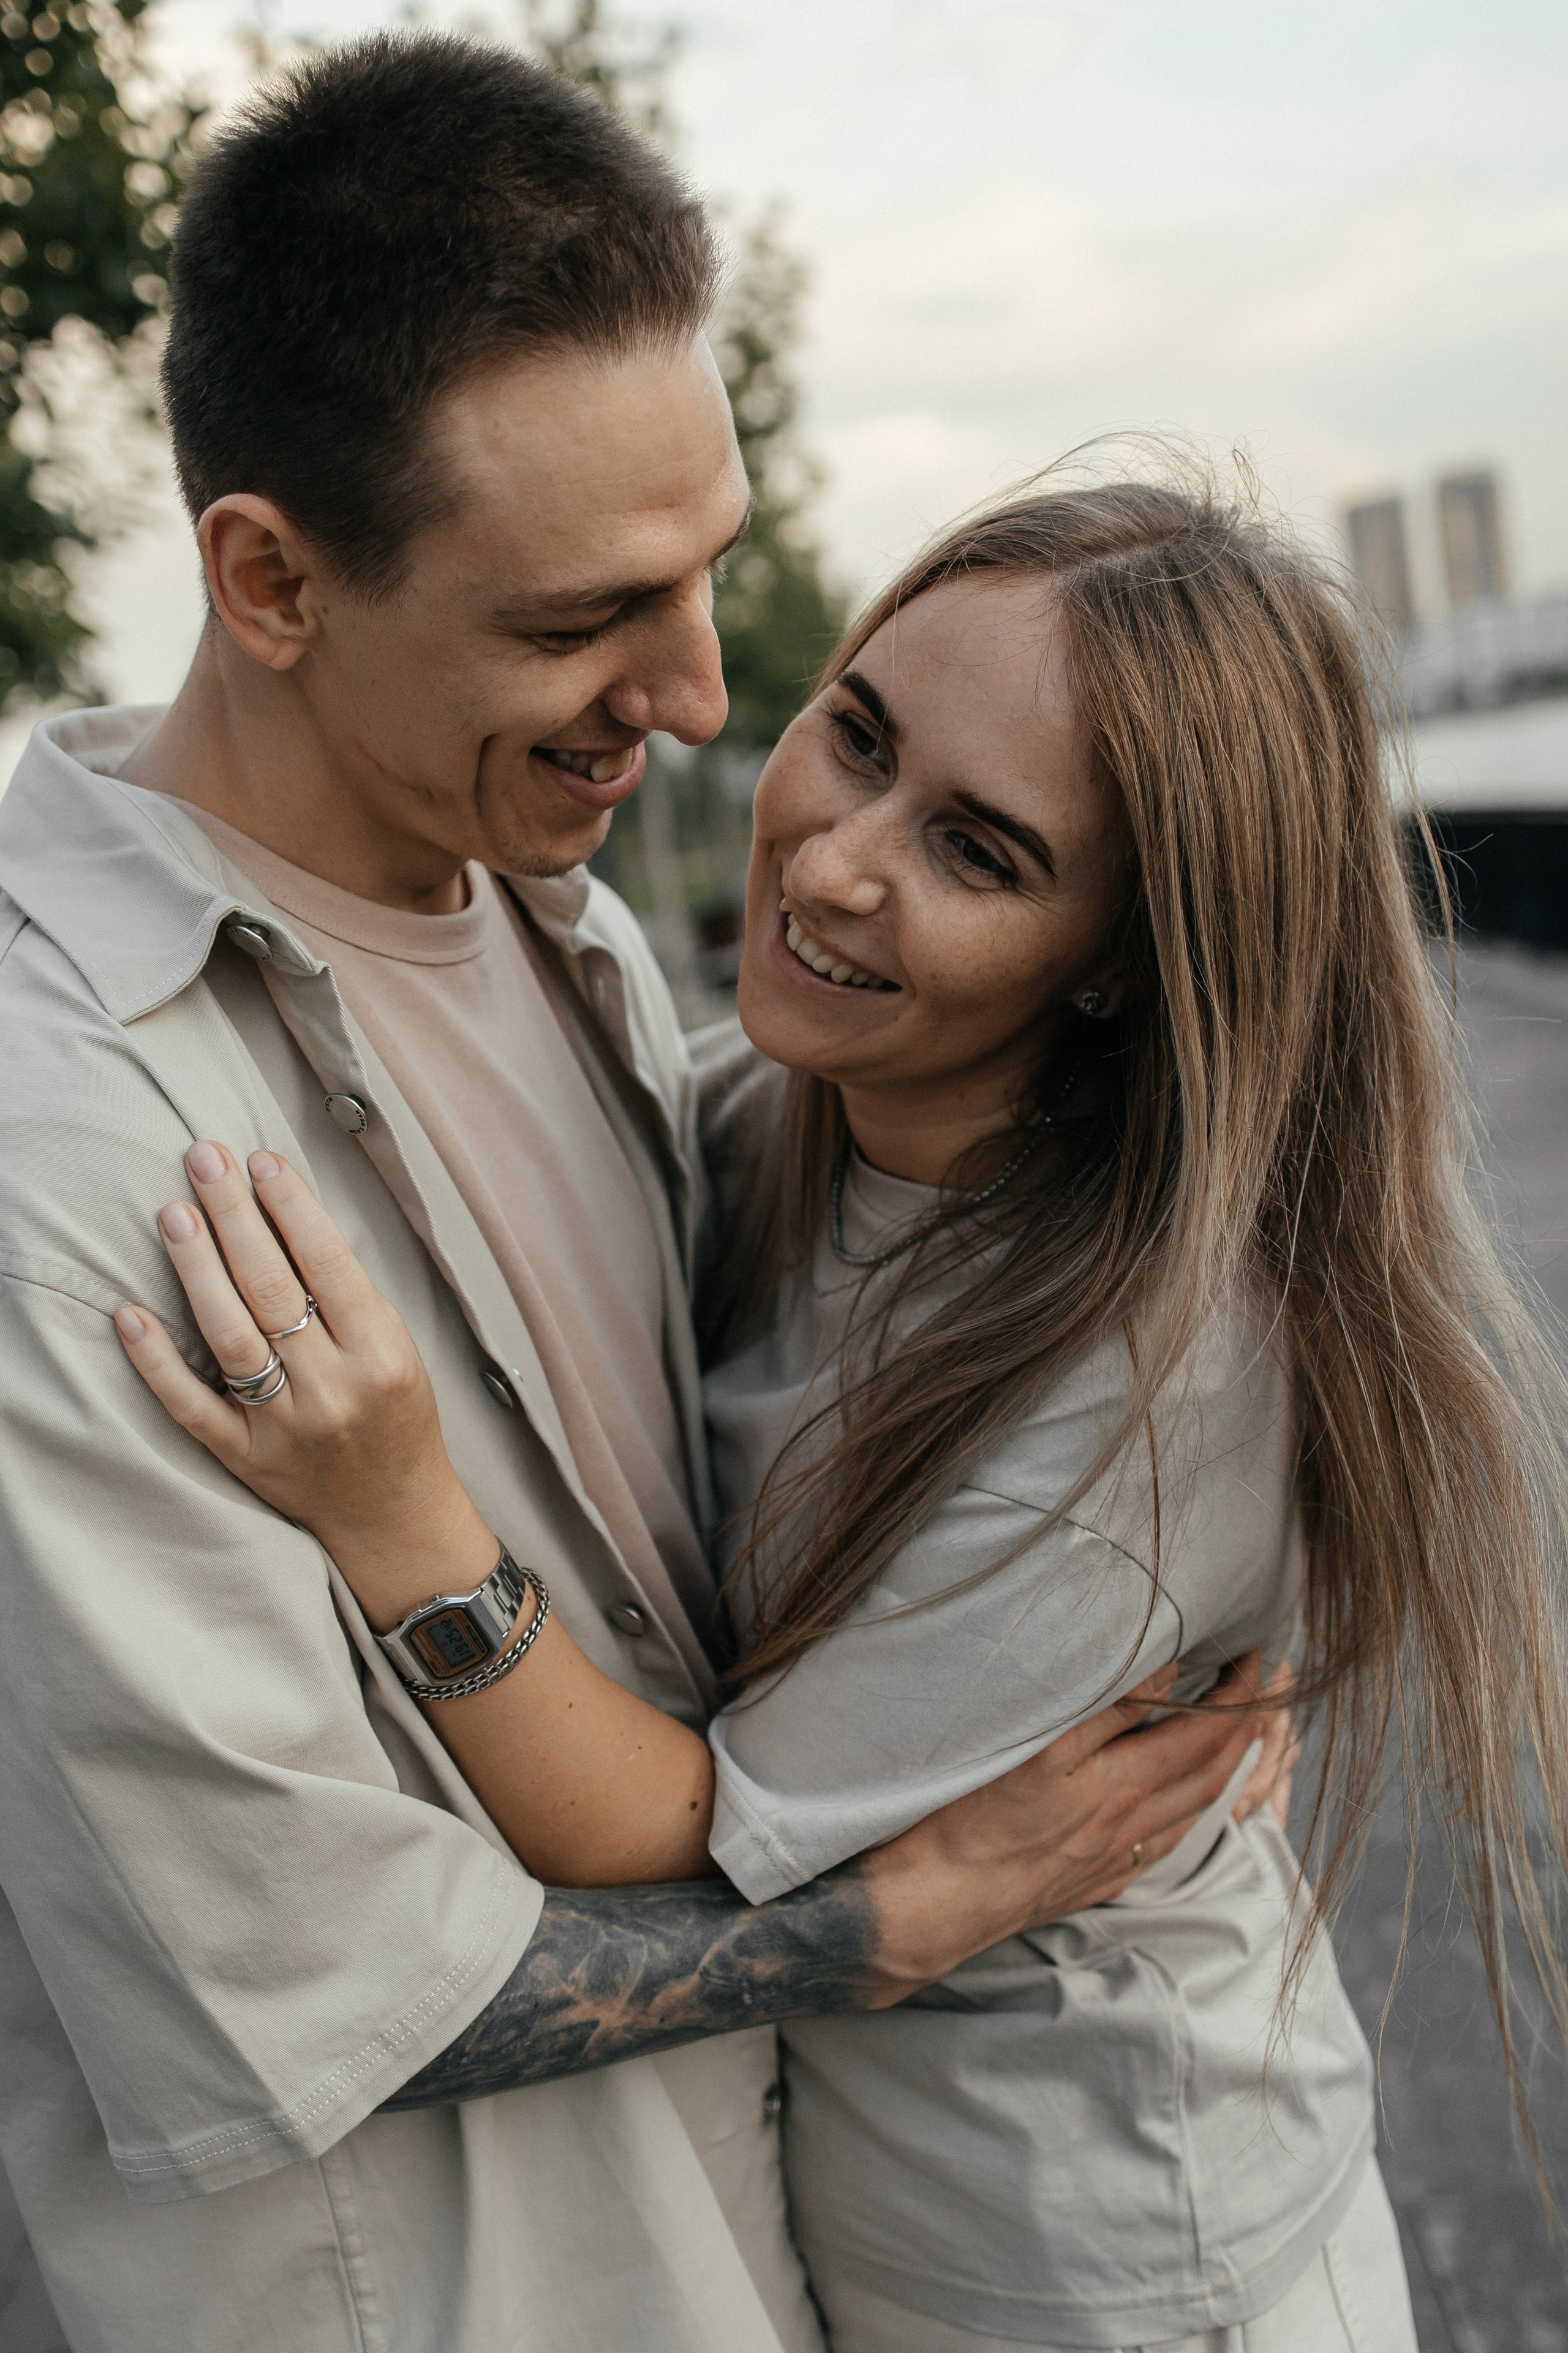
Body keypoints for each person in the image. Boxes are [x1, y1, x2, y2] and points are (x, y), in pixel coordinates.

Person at [0, 40, 1273, 2353]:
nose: (696, 696)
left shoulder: (567, 933)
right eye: (582, 617)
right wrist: (891, 1913)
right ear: (269, 578)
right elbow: (296, 1978)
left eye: (706, 571)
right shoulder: (56, 1140)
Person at [124, 475, 1568, 2352]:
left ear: (1126, 959)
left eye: (980, 851)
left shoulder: (1151, 1379)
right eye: (860, 737)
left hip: (1122, 2265)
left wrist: (401, 1518)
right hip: (884, 2235)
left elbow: (683, 1835)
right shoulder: (765, 1116)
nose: (830, 863)